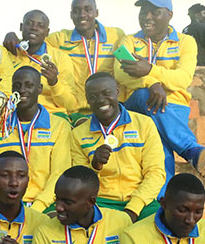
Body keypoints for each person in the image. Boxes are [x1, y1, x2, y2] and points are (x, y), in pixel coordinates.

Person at [114, 0, 205, 194]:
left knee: (161, 149)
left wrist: (148, 70)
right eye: (143, 12)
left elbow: (183, 78)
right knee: (143, 96)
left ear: (170, 15)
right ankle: (189, 148)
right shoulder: (128, 41)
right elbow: (120, 75)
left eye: (154, 12)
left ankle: (160, 202)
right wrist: (152, 84)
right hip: (136, 104)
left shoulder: (186, 42)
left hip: (173, 108)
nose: (147, 17)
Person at [71, 72, 166, 221]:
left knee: (161, 230)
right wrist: (94, 166)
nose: (101, 100)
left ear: (117, 92)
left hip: (142, 202)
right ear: (88, 100)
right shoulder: (78, 135)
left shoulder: (144, 124)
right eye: (93, 96)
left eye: (106, 93)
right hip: (100, 202)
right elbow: (80, 183)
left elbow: (156, 173)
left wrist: (133, 209)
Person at [0, 67, 71, 213]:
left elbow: (59, 172)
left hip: (45, 206)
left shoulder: (59, 126)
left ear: (39, 88)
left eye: (29, 85)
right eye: (17, 86)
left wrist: (38, 207)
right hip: (5, 204)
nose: (22, 90)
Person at [30, 166, 131, 244]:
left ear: (90, 202)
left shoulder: (121, 222)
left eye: (68, 202)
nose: (58, 207)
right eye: (57, 199)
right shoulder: (44, 232)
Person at [42, 0, 126, 115]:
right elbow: (35, 42)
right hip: (78, 108)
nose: (82, 14)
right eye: (76, 11)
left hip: (110, 106)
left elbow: (127, 63)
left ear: (96, 12)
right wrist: (13, 37)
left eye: (87, 9)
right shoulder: (60, 39)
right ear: (71, 15)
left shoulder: (117, 35)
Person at [6, 10, 77, 119]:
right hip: (13, 114)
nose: (34, 28)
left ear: (47, 32)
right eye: (29, 23)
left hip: (51, 116)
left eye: (40, 25)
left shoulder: (61, 58)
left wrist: (54, 83)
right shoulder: (9, 52)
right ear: (21, 27)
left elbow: (70, 104)